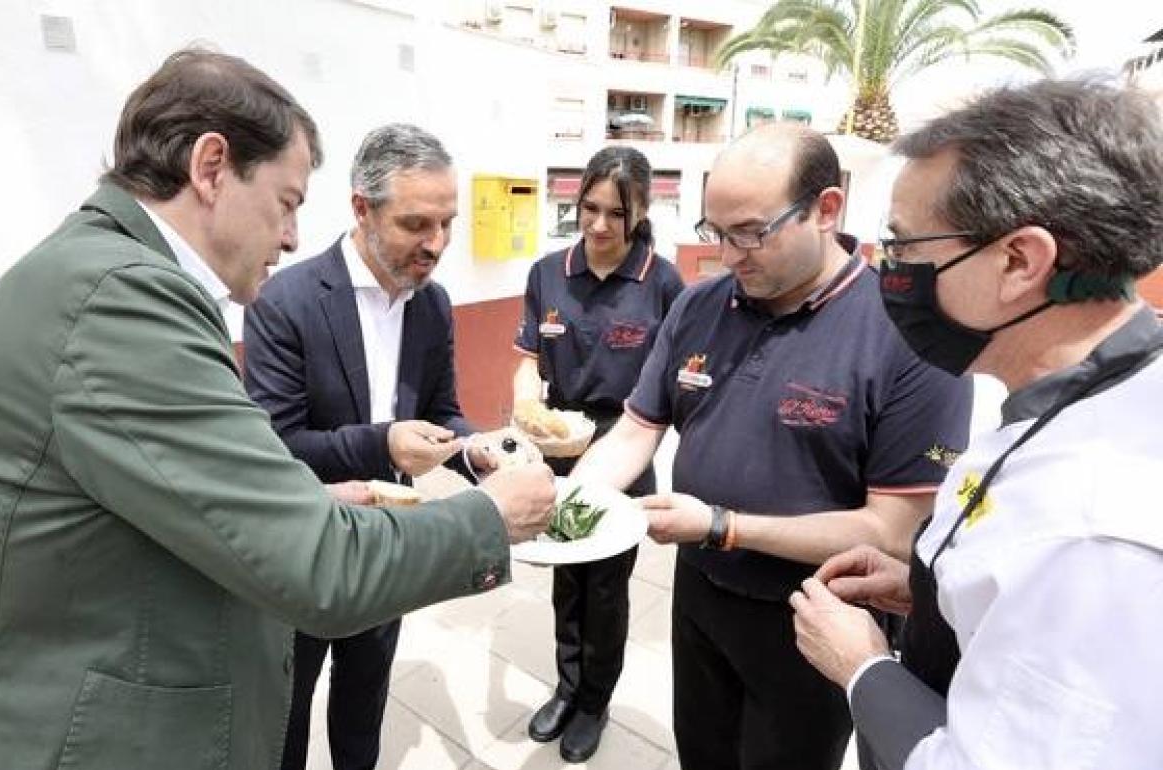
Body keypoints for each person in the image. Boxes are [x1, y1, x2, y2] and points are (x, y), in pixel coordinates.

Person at [0, 48, 556, 770]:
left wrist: (313, 498)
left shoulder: (105, 276)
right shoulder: (124, 302)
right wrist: (491, 518)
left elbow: (163, 489)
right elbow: (319, 566)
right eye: (286, 202)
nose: (288, 235)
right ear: (212, 167)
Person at [567, 123, 973, 770]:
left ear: (826, 209)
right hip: (700, 593)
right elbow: (638, 428)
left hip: (817, 619)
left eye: (751, 232)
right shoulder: (698, 306)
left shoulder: (907, 338)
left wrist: (724, 526)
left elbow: (891, 532)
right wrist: (568, 503)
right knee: (702, 752)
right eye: (716, 232)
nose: (731, 255)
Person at [791, 78, 1163, 770]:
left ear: (1019, 261)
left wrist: (863, 668)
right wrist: (937, 592)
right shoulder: (1088, 398)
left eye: (904, 248)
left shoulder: (1091, 528)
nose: (886, 271)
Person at [243, 123, 530, 770]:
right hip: (303, 543)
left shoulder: (432, 307)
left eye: (448, 224)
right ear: (361, 209)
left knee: (364, 699)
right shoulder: (285, 302)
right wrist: (385, 441)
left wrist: (474, 451)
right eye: (416, 224)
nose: (437, 245)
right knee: (284, 710)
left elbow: (442, 414)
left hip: (391, 541)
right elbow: (277, 448)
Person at [512, 146, 684, 762]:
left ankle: (594, 702)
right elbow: (529, 363)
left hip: (625, 447)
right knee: (566, 577)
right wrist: (526, 406)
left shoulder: (662, 281)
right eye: (590, 208)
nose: (601, 225)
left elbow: (670, 388)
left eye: (617, 212)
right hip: (559, 442)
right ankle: (566, 685)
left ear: (641, 212)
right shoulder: (547, 273)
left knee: (606, 586)